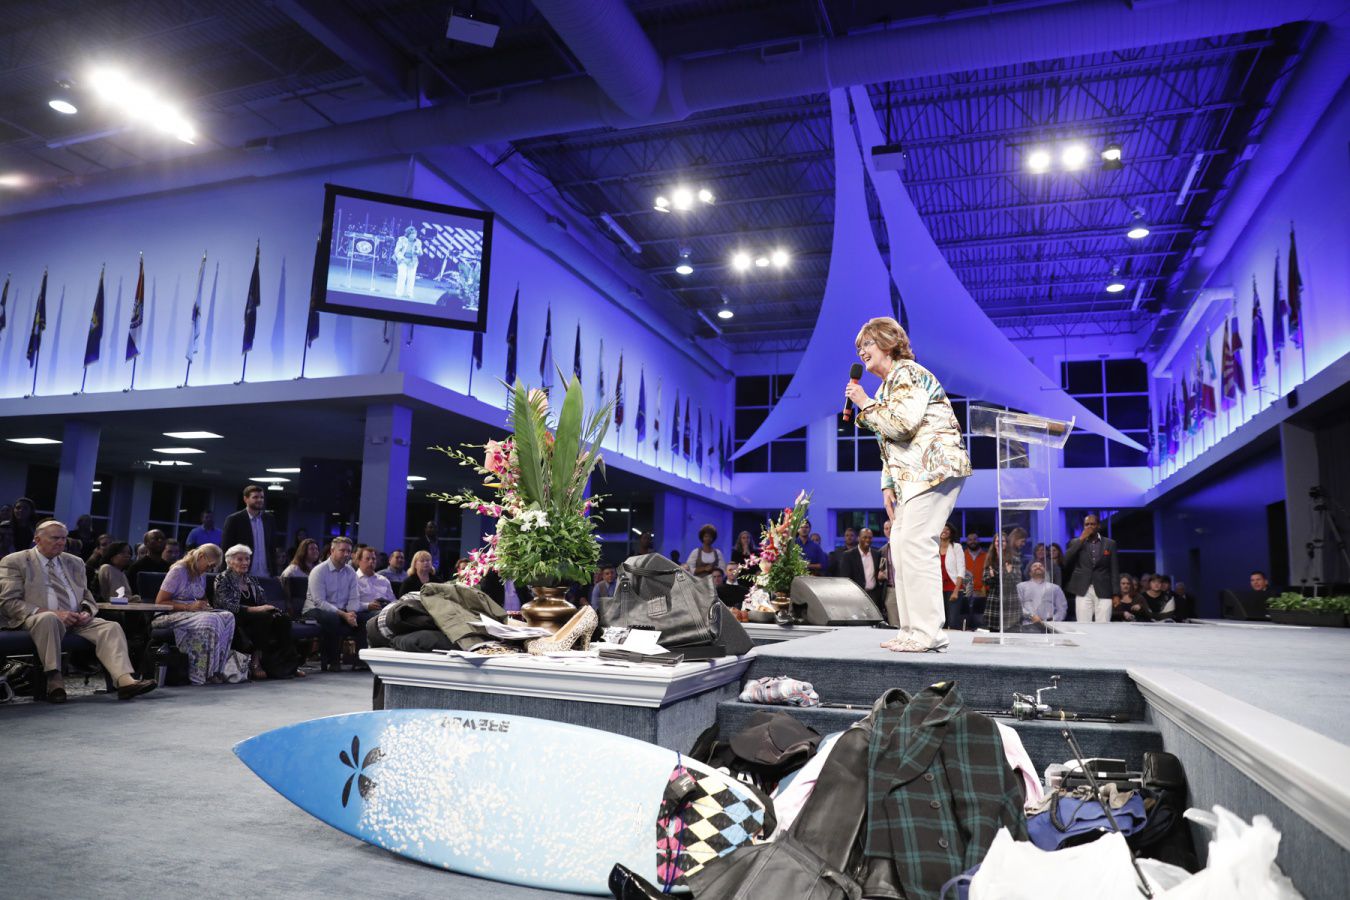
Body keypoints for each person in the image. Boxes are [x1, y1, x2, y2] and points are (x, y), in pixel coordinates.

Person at [847, 316, 971, 652]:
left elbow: (902, 425)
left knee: (916, 544)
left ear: (888, 343)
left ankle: (929, 633)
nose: (862, 352)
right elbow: (889, 442)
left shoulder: (908, 373)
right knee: (900, 548)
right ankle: (911, 630)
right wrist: (888, 483)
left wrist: (864, 403)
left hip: (935, 468)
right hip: (911, 477)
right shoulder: (887, 386)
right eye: (859, 348)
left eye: (867, 343)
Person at [0, 520, 157, 702]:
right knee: (49, 618)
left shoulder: (74, 562)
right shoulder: (16, 561)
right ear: (37, 539)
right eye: (55, 538)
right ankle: (54, 679)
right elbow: (8, 601)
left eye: (63, 538)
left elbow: (86, 596)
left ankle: (124, 681)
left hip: (74, 618)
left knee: (110, 627)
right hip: (33, 618)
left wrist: (86, 611)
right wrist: (54, 613)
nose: (61, 542)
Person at [213, 545, 304, 680]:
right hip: (235, 616)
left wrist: (270, 609)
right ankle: (255, 661)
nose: (245, 562)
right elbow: (226, 605)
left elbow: (262, 601)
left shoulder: (251, 580)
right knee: (263, 617)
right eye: (240, 559)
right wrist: (255, 609)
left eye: (247, 559)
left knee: (283, 619)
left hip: (258, 616)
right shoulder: (223, 579)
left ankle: (289, 664)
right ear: (230, 562)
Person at [153, 544, 237, 685]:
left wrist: (205, 605)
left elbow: (201, 597)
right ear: (201, 557)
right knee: (210, 620)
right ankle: (201, 674)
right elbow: (160, 602)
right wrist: (188, 606)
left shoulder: (201, 574)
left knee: (227, 616)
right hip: (168, 615)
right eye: (210, 565)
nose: (210, 569)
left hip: (191, 614)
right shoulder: (178, 571)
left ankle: (216, 670)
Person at [303, 536, 368, 672]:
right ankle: (333, 661)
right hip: (314, 610)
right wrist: (344, 615)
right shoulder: (319, 571)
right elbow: (319, 602)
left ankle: (360, 661)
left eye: (348, 551)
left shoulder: (350, 572)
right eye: (342, 550)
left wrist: (352, 613)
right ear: (332, 551)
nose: (346, 554)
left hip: (342, 611)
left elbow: (354, 598)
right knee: (332, 618)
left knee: (365, 619)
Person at [1063, 514, 1118, 624]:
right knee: (1083, 624)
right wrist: (1081, 539)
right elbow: (1066, 560)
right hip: (1083, 588)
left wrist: (1116, 593)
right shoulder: (1075, 542)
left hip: (1104, 588)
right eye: (1086, 524)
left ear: (1098, 526)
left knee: (1104, 624)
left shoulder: (1110, 543)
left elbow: (1114, 569)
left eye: (1092, 524)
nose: (1089, 526)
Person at [220, 485, 276, 577]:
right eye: (255, 497)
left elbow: (272, 548)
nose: (259, 500)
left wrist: (274, 573)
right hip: (242, 574)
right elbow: (226, 549)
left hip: (266, 574)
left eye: (262, 497)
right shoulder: (234, 519)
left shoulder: (269, 519)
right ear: (245, 499)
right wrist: (225, 574)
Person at [983, 527, 1028, 631]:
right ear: (994, 543)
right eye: (997, 541)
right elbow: (986, 581)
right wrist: (1001, 575)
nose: (1000, 543)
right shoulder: (990, 559)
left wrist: (998, 575)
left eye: (1003, 541)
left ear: (1006, 543)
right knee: (994, 633)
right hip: (994, 600)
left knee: (1011, 633)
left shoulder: (1014, 559)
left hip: (1010, 599)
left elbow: (1017, 580)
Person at [837, 526, 885, 612]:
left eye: (870, 537)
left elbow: (879, 575)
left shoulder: (877, 554)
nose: (867, 540)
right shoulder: (848, 555)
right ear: (858, 538)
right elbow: (845, 579)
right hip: (855, 597)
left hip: (873, 596)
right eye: (865, 537)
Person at [1017, 562, 1067, 627]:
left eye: (1041, 566)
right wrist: (1031, 616)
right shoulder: (1021, 586)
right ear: (1030, 573)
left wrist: (1053, 620)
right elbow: (1018, 607)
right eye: (1034, 566)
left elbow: (1062, 609)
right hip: (1027, 624)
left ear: (1045, 572)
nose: (1038, 567)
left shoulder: (1055, 588)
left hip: (1050, 626)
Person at [938, 523, 966, 630]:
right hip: (938, 589)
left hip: (953, 589)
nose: (944, 531)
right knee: (941, 622)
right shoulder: (934, 548)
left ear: (951, 532)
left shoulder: (956, 547)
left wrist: (956, 591)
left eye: (947, 529)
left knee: (953, 622)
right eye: (942, 529)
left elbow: (961, 570)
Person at [963, 532, 988, 628]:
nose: (972, 541)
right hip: (965, 593)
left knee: (980, 623)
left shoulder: (986, 556)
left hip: (982, 593)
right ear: (966, 542)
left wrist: (985, 589)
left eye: (975, 539)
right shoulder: (962, 555)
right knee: (965, 623)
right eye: (970, 539)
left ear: (979, 541)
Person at [394, 225, 423, 298]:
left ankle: (409, 293)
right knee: (402, 276)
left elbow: (421, 253)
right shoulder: (401, 240)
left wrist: (418, 252)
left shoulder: (418, 242)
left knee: (411, 278)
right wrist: (403, 259)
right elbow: (397, 251)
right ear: (408, 234)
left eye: (415, 234)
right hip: (402, 260)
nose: (414, 236)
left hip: (413, 262)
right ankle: (399, 293)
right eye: (412, 234)